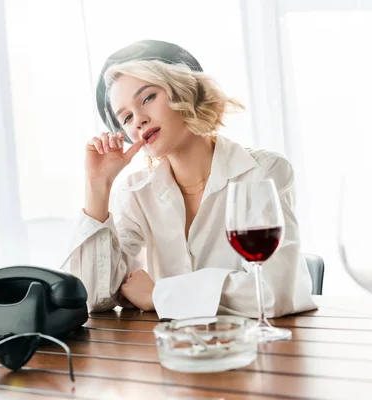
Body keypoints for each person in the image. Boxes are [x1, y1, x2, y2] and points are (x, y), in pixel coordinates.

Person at [62, 40, 316, 318]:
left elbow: (273, 291)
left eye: (147, 98)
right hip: (177, 352)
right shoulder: (136, 192)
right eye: (126, 118)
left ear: (184, 91)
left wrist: (159, 295)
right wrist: (98, 187)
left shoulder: (264, 172)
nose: (138, 121)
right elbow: (95, 296)